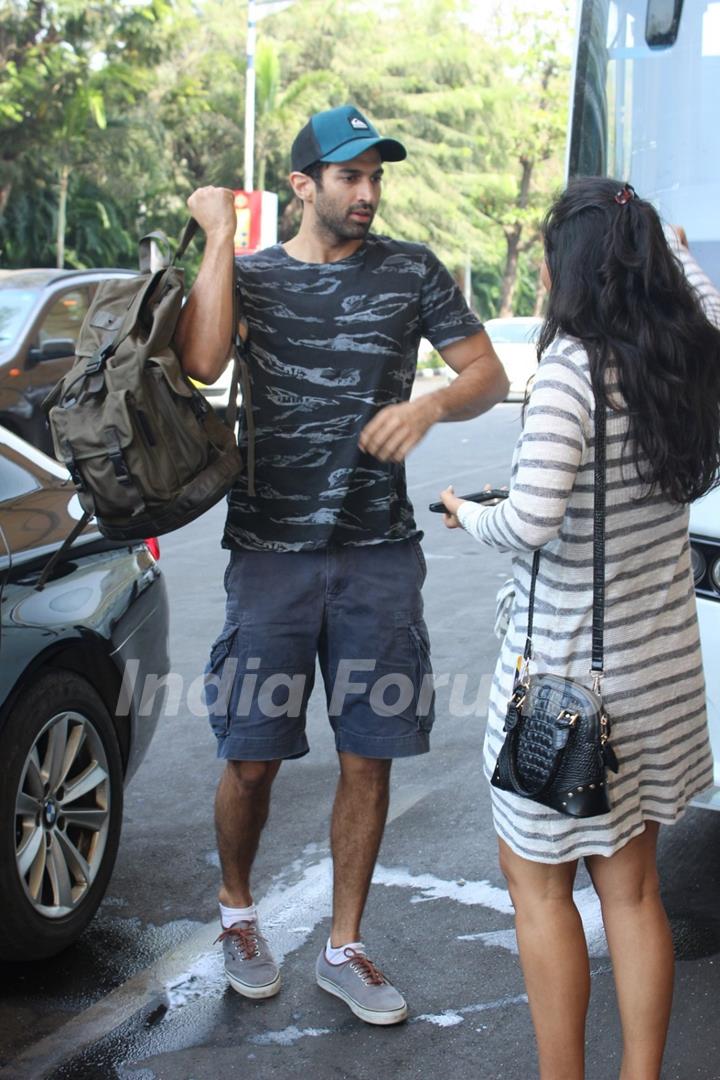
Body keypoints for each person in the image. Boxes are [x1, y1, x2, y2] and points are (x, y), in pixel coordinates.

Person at [175, 104, 508, 1023]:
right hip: (270, 555)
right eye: (350, 177)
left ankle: (345, 945)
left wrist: (433, 405)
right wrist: (215, 238)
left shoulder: (410, 270)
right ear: (304, 185)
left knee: (371, 754)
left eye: (376, 178)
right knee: (251, 759)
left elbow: (490, 374)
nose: (367, 194)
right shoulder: (252, 278)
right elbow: (202, 361)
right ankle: (238, 914)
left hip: (377, 556)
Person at [440, 177, 720, 1079]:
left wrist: (463, 511)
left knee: (538, 890)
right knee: (635, 895)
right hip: (662, 676)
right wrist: (677, 254)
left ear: (576, 269)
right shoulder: (685, 363)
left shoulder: (572, 370)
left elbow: (528, 520)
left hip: (570, 693)